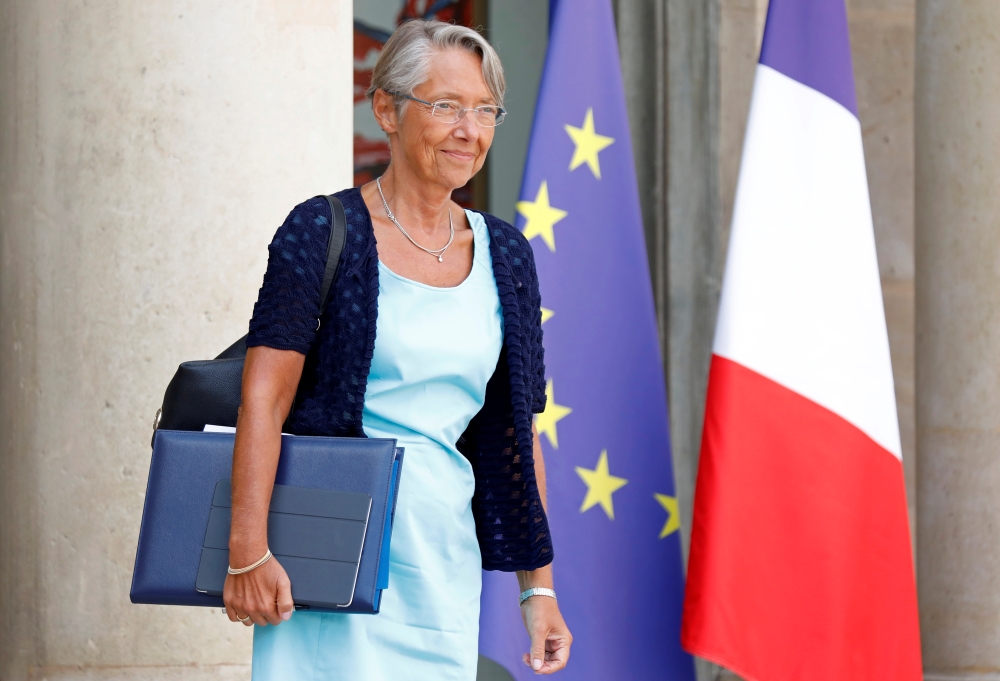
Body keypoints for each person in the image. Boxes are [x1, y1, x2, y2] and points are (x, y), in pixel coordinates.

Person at [221, 19, 573, 680]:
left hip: (440, 560)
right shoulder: (321, 230)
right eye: (446, 106)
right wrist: (247, 548)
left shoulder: (508, 256)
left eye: (485, 110)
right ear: (387, 109)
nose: (469, 130)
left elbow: (518, 432)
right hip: (324, 557)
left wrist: (539, 588)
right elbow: (263, 398)